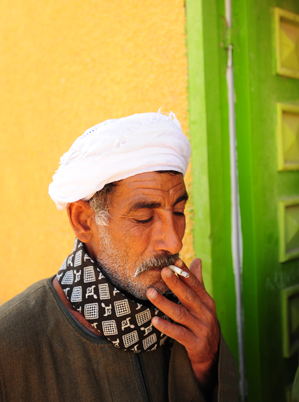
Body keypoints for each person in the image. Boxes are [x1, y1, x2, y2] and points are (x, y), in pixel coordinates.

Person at [0, 112, 238, 402]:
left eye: (178, 212)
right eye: (144, 217)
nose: (174, 240)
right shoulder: (10, 342)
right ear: (84, 221)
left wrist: (207, 363)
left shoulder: (190, 322)